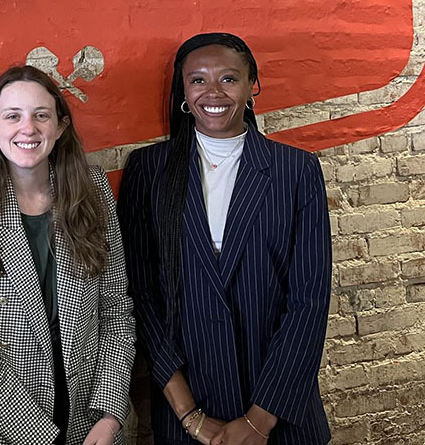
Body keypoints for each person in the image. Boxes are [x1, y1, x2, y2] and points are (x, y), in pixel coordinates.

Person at [117, 33, 331, 445]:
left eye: (228, 79)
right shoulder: (149, 171)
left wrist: (259, 420)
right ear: (183, 90)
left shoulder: (296, 171)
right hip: (190, 410)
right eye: (197, 80)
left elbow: (309, 301)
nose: (212, 93)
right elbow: (141, 296)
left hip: (280, 409)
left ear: (253, 85)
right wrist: (188, 413)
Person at [0, 66, 136, 445]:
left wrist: (110, 416)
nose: (27, 128)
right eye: (12, 116)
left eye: (40, 115)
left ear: (60, 127)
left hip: (92, 424)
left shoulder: (93, 191)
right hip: (4, 432)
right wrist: (39, 437)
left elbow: (115, 312)